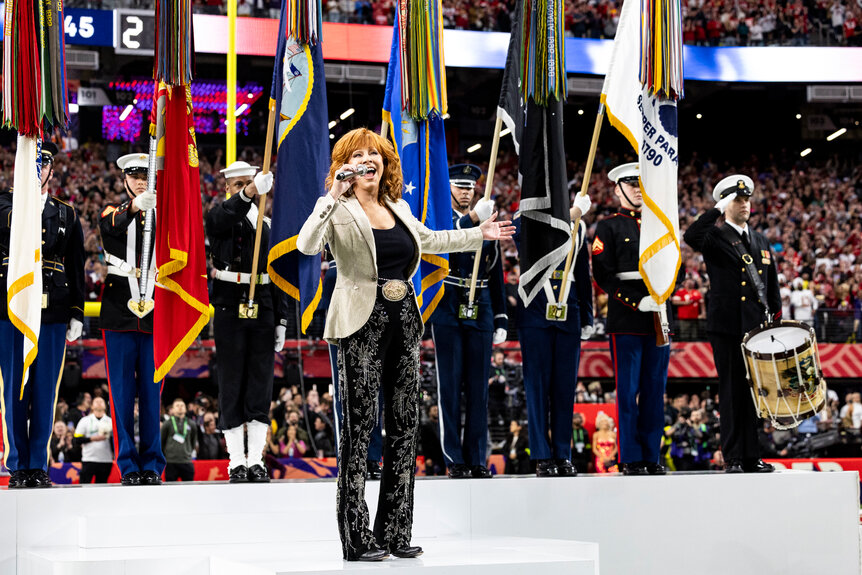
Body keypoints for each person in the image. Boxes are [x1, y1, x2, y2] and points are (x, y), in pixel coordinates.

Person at [297, 128, 513, 562]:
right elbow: (307, 244)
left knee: (403, 428)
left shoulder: (397, 206)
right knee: (359, 431)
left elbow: (432, 240)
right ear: (345, 165)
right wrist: (332, 196)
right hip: (359, 320)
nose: (366, 160)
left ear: (384, 163)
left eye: (373, 154)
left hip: (404, 318)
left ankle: (395, 532)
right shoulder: (337, 208)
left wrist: (478, 234)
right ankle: (356, 538)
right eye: (356, 155)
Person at [683, 174, 781, 473]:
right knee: (730, 391)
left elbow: (771, 285)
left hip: (754, 328)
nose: (745, 204)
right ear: (726, 203)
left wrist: (775, 318)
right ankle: (734, 456)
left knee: (755, 392)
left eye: (747, 199)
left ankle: (753, 455)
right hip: (726, 326)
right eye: (738, 200)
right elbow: (690, 236)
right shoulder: (715, 236)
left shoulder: (761, 239)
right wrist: (715, 210)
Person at [0, 142, 85, 489]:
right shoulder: (7, 203)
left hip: (53, 309)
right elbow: (12, 226)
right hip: (13, 308)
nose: (39, 170)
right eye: (32, 164)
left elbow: (76, 266)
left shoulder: (67, 213)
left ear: (52, 169)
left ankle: (38, 464)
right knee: (14, 390)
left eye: (44, 164)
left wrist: (77, 311)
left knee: (45, 390)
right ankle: (18, 464)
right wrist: (28, 199)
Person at [592, 162, 678, 476]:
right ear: (618, 189)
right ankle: (630, 457)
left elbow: (676, 265)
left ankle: (651, 456)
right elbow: (602, 274)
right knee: (627, 392)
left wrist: (663, 293)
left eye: (641, 183)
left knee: (655, 390)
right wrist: (634, 300)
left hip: (659, 314)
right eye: (631, 184)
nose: (637, 189)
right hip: (627, 317)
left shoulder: (661, 223)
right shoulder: (609, 226)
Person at [205, 160, 287, 483]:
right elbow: (221, 220)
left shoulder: (268, 225)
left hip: (263, 305)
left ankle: (256, 459)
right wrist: (249, 193)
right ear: (227, 188)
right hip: (228, 304)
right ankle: (235, 460)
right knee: (231, 382)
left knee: (260, 382)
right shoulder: (220, 215)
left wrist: (281, 319)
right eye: (236, 186)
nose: (243, 191)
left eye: (247, 185)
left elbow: (278, 274)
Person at [428, 163, 506, 479]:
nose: (466, 192)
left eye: (470, 187)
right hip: (447, 305)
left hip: (481, 306)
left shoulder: (486, 223)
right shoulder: (440, 219)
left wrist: (500, 316)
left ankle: (475, 457)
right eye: (460, 186)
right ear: (448, 188)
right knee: (450, 387)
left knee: (478, 389)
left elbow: (497, 273)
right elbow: (439, 241)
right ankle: (454, 458)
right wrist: (471, 221)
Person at [99, 153, 165, 486]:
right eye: (136, 176)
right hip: (118, 313)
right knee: (121, 395)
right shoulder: (113, 211)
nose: (141, 181)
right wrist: (138, 205)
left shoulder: (164, 216)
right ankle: (128, 465)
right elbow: (110, 226)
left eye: (146, 176)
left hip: (156, 314)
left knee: (152, 396)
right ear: (125, 180)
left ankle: (152, 463)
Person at [515, 195, 593, 477]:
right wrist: (571, 213)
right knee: (537, 388)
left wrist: (588, 316)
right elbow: (521, 234)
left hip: (567, 311)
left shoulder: (579, 226)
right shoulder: (528, 216)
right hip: (535, 311)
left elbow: (582, 273)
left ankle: (562, 452)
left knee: (564, 388)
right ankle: (542, 455)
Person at [74, 397, 114, 484]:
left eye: (101, 401)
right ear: (91, 406)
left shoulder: (111, 421)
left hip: (106, 460)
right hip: (89, 459)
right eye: (96, 401)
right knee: (84, 486)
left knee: (102, 487)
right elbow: (77, 440)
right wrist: (92, 438)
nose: (99, 403)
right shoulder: (85, 420)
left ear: (106, 406)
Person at [160, 398, 198, 482]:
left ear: (186, 408)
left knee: (189, 489)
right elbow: (162, 441)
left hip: (186, 461)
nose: (180, 407)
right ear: (172, 409)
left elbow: (193, 441)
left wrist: (187, 452)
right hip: (171, 462)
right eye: (177, 406)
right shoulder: (167, 423)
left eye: (182, 405)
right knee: (170, 490)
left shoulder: (191, 424)